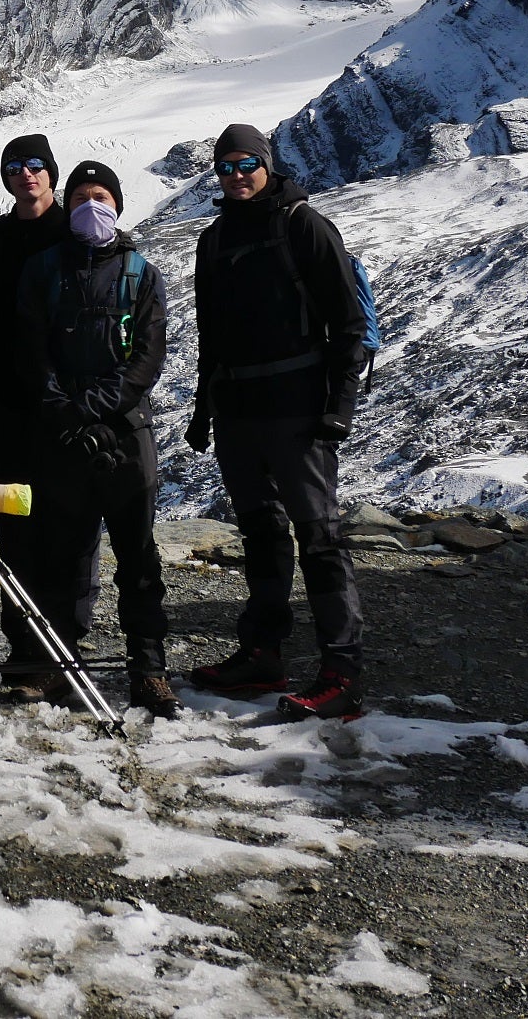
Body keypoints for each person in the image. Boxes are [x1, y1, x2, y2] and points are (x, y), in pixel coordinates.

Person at [186, 124, 371, 721]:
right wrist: (202, 410)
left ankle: (341, 673)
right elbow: (211, 336)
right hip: (238, 411)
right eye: (225, 167)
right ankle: (262, 654)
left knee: (319, 537)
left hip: (298, 409)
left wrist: (339, 407)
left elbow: (347, 323)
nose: (236, 176)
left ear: (267, 164)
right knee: (260, 532)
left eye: (246, 164)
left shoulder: (303, 225)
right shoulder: (213, 240)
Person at [12, 161, 177, 717]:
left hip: (125, 433)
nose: (90, 206)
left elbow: (147, 358)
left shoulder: (141, 274)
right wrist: (65, 410)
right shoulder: (42, 270)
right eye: (80, 197)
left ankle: (149, 669)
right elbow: (31, 350)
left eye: (100, 196)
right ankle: (59, 665)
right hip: (63, 433)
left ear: (118, 204)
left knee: (138, 555)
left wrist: (89, 409)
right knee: (63, 554)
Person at [0, 132, 71, 691]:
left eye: (35, 164)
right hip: (11, 400)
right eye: (15, 166)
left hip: (64, 401)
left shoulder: (73, 231)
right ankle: (24, 648)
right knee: (15, 519)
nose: (26, 174)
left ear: (51, 172)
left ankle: (63, 644)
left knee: (63, 521)